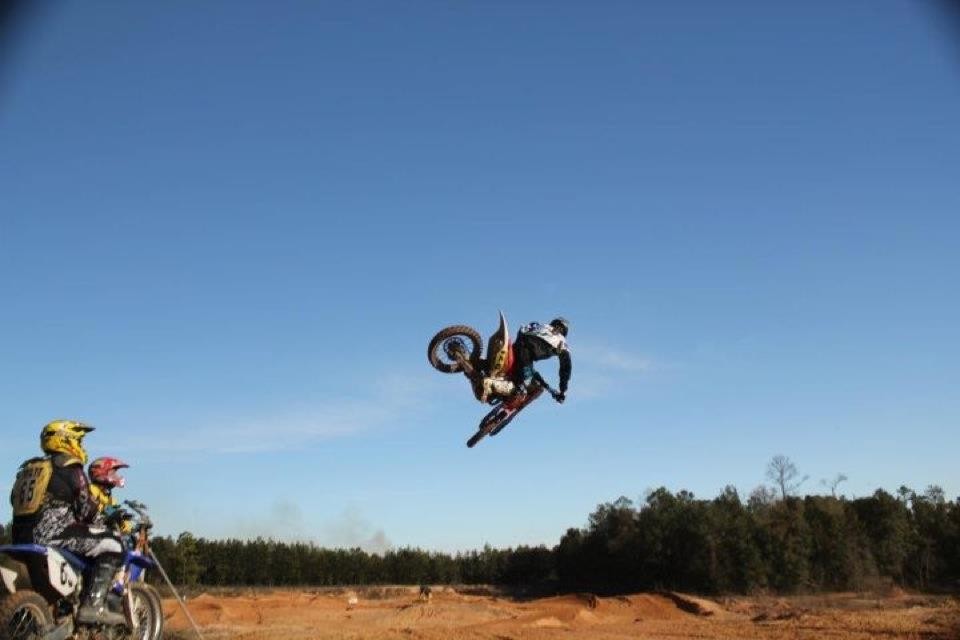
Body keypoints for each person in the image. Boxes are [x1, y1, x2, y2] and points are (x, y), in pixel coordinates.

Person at [9, 420, 126, 626]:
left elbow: (13, 499)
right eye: (79, 441)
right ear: (67, 440)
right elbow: (86, 509)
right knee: (114, 543)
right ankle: (94, 606)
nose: (81, 446)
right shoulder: (70, 466)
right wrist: (103, 520)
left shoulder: (29, 468)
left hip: (20, 537)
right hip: (54, 534)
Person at [482, 317, 572, 402]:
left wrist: (550, 390)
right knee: (524, 385)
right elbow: (566, 367)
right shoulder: (561, 341)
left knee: (527, 373)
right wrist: (563, 390)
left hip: (515, 348)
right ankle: (491, 384)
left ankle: (488, 378)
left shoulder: (538, 325)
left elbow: (522, 331)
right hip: (526, 354)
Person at [88, 457, 132, 535]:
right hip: (86, 533)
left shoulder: (108, 496)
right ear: (101, 473)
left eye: (115, 474)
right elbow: (88, 512)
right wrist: (107, 516)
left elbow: (110, 510)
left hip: (102, 533)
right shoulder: (90, 490)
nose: (116, 476)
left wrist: (121, 520)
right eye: (112, 473)